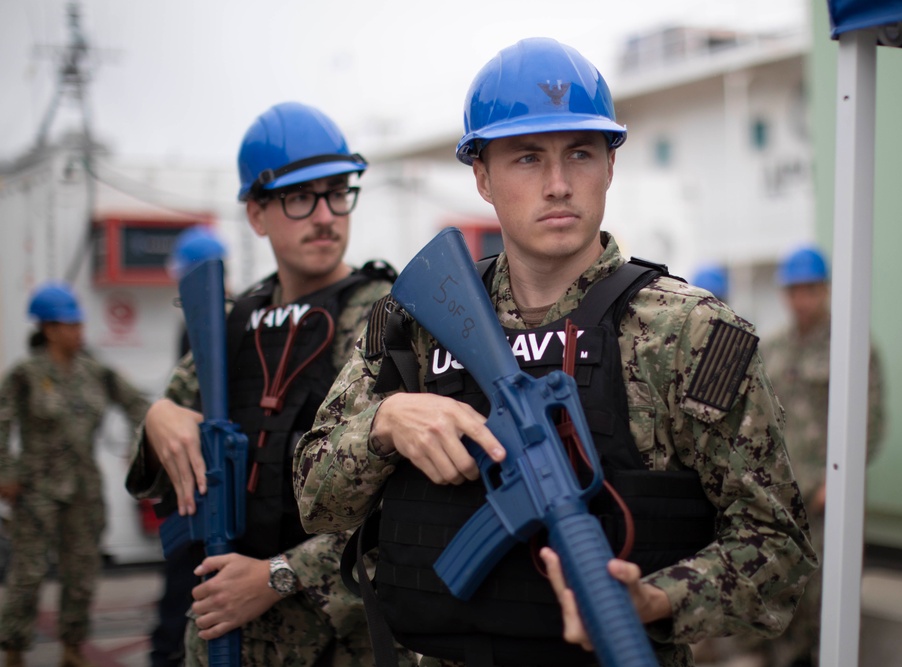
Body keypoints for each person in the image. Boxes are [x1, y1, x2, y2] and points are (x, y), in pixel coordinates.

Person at [294, 38, 817, 667]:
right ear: (482, 176)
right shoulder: (416, 323)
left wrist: (656, 599)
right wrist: (383, 426)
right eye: (526, 159)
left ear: (610, 167)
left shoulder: (691, 336)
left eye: (580, 153)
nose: (559, 184)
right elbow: (315, 502)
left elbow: (778, 547)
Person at [124, 102, 415, 667]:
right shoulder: (235, 319)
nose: (326, 215)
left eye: (338, 192)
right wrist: (158, 418)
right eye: (301, 197)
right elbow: (151, 467)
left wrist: (277, 576)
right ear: (257, 213)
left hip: (341, 637)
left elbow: (406, 507)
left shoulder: (387, 318)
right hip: (222, 627)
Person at [0, 283, 150, 667]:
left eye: (80, 323)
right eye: (70, 325)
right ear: (49, 328)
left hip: (84, 487)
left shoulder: (94, 371)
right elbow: (1, 422)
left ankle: (72, 647)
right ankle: (13, 648)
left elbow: (139, 406)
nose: (79, 331)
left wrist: (140, 450)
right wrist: (6, 471)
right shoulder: (26, 374)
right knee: (28, 574)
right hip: (37, 488)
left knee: (81, 573)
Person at [752, 245, 885, 667]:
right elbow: (758, 419)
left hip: (828, 494)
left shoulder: (850, 346)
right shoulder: (772, 348)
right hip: (782, 495)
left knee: (830, 591)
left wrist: (838, 483)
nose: (801, 299)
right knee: (782, 585)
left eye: (809, 289)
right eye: (793, 290)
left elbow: (870, 417)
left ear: (825, 290)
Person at [146, 226, 228, 667]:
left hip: (205, 472)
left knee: (185, 581)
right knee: (183, 578)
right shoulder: (202, 320)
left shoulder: (215, 320)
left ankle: (166, 653)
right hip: (194, 467)